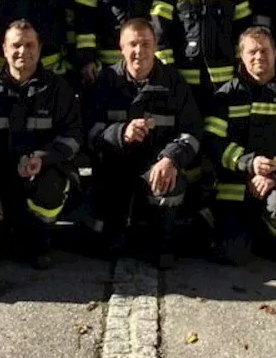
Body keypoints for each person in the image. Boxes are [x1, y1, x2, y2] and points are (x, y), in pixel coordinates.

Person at [0, 20, 84, 269]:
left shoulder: (58, 89)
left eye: (29, 45)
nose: (23, 52)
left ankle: (40, 236)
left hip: (39, 177)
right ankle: (7, 231)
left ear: (39, 49)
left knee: (51, 186)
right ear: (4, 50)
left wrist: (42, 158)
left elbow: (73, 138)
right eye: (16, 45)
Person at [84, 18, 203, 269]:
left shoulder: (174, 83)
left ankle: (162, 243)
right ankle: (114, 232)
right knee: (108, 248)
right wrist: (120, 133)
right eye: (133, 44)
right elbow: (88, 131)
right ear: (121, 48)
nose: (140, 51)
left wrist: (171, 157)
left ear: (156, 45)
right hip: (114, 171)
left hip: (155, 168)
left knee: (171, 183)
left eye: (146, 43)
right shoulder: (105, 82)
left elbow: (192, 132)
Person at [204, 27, 276, 264]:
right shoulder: (225, 96)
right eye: (253, 51)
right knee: (232, 256)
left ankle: (275, 237)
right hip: (235, 186)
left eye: (265, 51)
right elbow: (213, 143)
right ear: (241, 55)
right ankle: (242, 232)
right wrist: (248, 163)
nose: (259, 57)